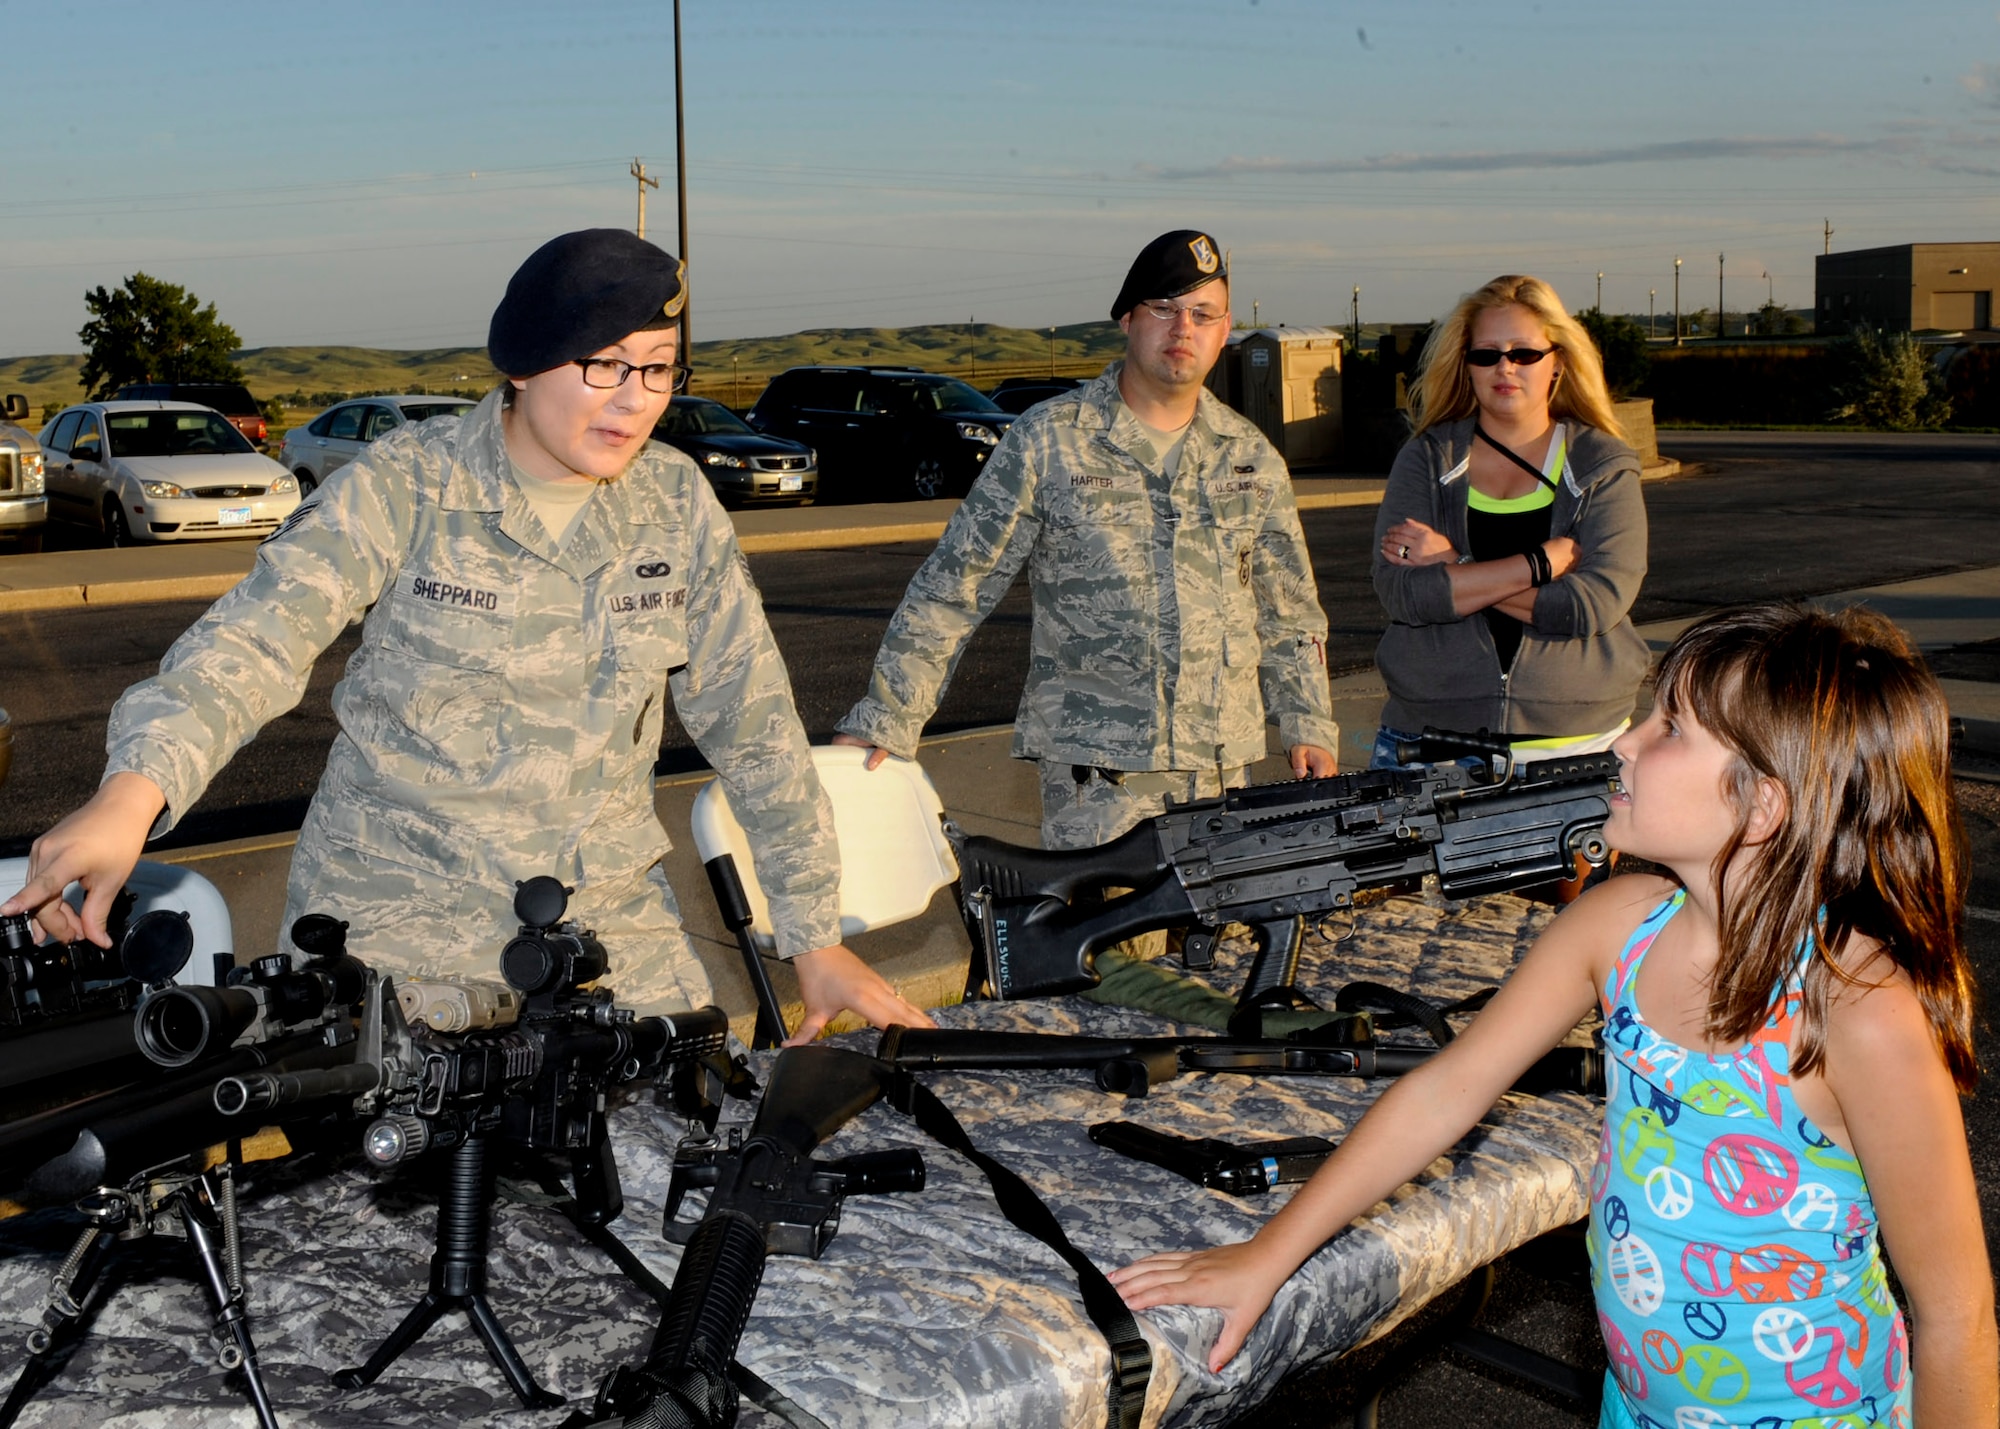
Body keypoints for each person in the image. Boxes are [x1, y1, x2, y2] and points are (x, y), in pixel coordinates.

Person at [0, 229, 930, 1046]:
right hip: (400, 939)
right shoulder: (410, 484)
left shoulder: (676, 501)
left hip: (607, 941)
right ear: (523, 365)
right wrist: (132, 794)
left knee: (696, 1185)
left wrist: (814, 939)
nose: (635, 399)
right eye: (605, 364)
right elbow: (255, 640)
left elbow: (754, 719)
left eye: (658, 367)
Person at [1111, 602, 1996, 1426]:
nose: (1621, 742)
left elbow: (1955, 1309)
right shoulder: (1616, 929)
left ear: (1761, 804)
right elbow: (1442, 1093)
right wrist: (1268, 1256)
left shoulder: (1857, 1010)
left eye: (1668, 731)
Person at [832, 229, 1338, 866]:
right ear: (1127, 319)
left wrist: (1307, 724)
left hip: (1219, 777)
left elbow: (1290, 612)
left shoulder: (1249, 458)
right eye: (1163, 307)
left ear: (1225, 329)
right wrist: (888, 714)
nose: (1184, 326)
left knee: (1200, 963)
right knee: (1101, 961)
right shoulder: (1050, 442)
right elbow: (957, 584)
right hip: (1098, 783)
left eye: (1202, 313)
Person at [1371, 275, 1648, 770]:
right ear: (1467, 364)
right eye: (1487, 354)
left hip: (1577, 748)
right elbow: (1406, 594)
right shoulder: (1426, 459)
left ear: (1557, 360)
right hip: (1432, 750)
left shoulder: (1601, 465)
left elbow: (1592, 603)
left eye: (1524, 353)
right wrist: (1540, 563)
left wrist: (1454, 565)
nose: (1505, 367)